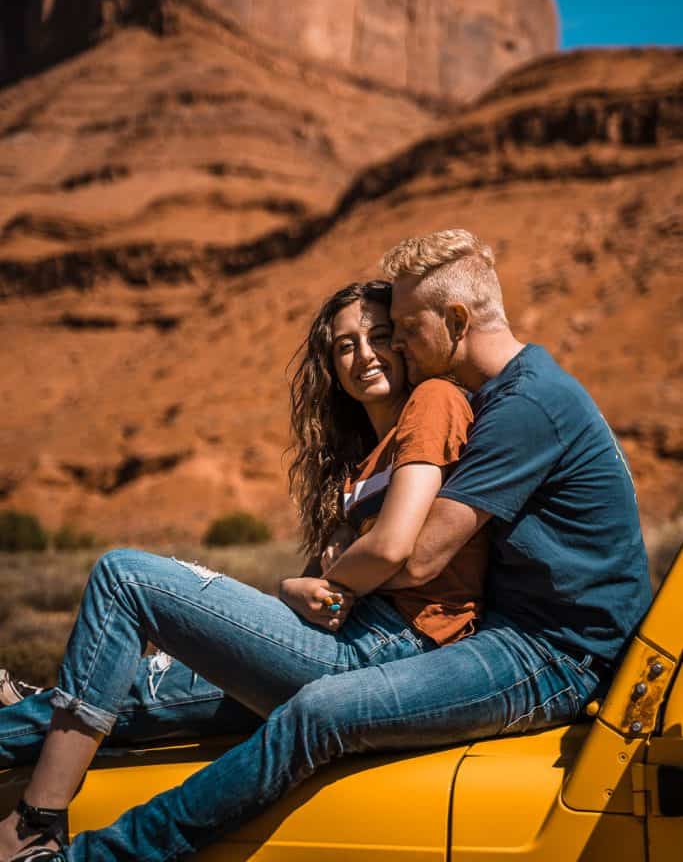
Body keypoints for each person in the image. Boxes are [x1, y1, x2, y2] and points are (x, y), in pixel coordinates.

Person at [1, 227, 652, 862]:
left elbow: (418, 555)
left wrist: (332, 579)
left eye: (400, 325)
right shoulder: (502, 395)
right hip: (508, 634)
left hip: (553, 655)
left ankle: (94, 852)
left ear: (454, 318)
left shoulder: (521, 404)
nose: (393, 342)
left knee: (319, 709)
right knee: (154, 691)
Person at [0, 278, 488, 862]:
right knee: (140, 690)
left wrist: (333, 577)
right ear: (331, 367)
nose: (366, 355)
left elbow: (391, 551)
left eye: (380, 336)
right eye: (346, 346)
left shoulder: (434, 401)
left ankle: (36, 822)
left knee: (125, 578)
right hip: (341, 640)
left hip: (385, 653)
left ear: (406, 344)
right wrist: (294, 585)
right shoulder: (363, 464)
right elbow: (315, 582)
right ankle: (25, 710)